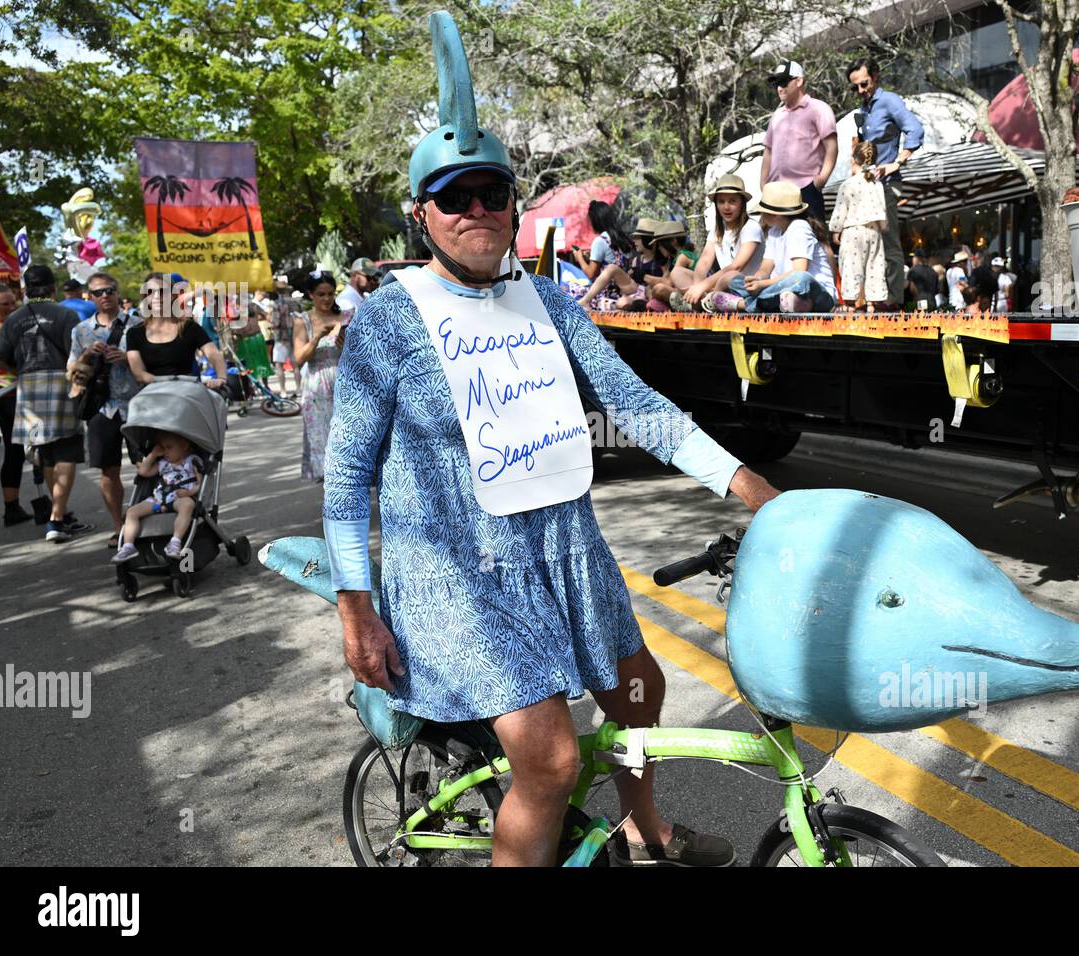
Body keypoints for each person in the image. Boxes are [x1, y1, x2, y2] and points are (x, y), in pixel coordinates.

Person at [325, 11, 781, 869]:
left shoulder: (551, 301)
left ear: (511, 202)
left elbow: (637, 406)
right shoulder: (387, 321)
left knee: (643, 693)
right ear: (423, 215)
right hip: (456, 571)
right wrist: (357, 608)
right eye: (453, 197)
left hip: (566, 548)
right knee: (553, 760)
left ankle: (645, 827)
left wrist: (747, 484)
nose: (476, 211)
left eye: (491, 191)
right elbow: (348, 479)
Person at [0, 264, 92, 542]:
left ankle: (61, 513)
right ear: (53, 287)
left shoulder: (13, 319)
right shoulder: (65, 314)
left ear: (25, 289)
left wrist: (20, 370)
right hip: (62, 382)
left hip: (29, 386)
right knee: (66, 451)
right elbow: (79, 353)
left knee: (46, 453)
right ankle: (56, 519)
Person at [68, 272, 144, 547]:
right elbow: (72, 372)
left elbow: (153, 362)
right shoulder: (82, 330)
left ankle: (147, 523)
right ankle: (120, 528)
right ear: (89, 296)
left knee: (147, 465)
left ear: (117, 290)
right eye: (98, 292)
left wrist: (127, 358)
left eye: (109, 290)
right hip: (102, 408)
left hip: (138, 404)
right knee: (108, 471)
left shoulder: (138, 324)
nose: (105, 296)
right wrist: (88, 355)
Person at [847, 58, 924, 307]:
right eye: (855, 87)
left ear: (876, 77)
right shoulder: (864, 110)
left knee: (888, 243)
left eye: (864, 84)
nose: (860, 90)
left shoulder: (889, 100)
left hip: (887, 185)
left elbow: (915, 130)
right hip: (867, 187)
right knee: (867, 242)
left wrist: (897, 163)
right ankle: (872, 299)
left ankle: (892, 302)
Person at [705, 181, 838, 314]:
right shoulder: (774, 231)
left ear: (774, 214)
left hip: (813, 292)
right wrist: (757, 279)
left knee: (800, 280)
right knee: (734, 279)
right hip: (780, 289)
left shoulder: (799, 227)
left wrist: (763, 285)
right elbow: (766, 267)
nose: (761, 216)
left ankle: (744, 304)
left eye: (763, 212)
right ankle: (775, 303)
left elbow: (799, 272)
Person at [670, 175, 765, 311]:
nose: (726, 207)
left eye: (732, 201)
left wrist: (703, 286)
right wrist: (697, 286)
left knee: (730, 276)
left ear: (742, 203)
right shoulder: (716, 230)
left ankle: (704, 302)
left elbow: (737, 267)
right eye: (721, 201)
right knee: (677, 272)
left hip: (745, 285)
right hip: (721, 285)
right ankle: (703, 301)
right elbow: (704, 261)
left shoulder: (751, 227)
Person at [761, 60, 837, 224]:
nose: (779, 88)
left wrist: (820, 180)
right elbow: (768, 151)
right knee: (776, 243)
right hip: (776, 191)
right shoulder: (777, 115)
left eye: (783, 82)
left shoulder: (819, 108)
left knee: (813, 242)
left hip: (805, 189)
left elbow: (831, 146)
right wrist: (763, 184)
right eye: (775, 84)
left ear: (799, 80)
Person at [125, 273, 230, 389]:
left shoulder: (190, 327)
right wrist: (170, 381)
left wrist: (221, 378)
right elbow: (139, 374)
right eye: (150, 291)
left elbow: (214, 354)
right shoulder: (134, 333)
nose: (156, 296)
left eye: (162, 291)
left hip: (188, 394)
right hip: (153, 398)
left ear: (173, 295)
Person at [111, 430, 202, 563]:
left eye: (169, 448)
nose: (164, 452)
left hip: (180, 498)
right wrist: (153, 455)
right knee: (131, 512)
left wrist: (190, 493)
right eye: (162, 448)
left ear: (184, 445)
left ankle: (175, 542)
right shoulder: (162, 463)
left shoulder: (192, 461)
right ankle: (128, 546)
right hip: (158, 500)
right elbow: (143, 472)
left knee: (188, 505)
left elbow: (202, 483)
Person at [292, 270, 346, 481]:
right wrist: (316, 338)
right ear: (311, 295)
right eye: (321, 294)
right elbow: (299, 358)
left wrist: (347, 342)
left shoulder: (344, 316)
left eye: (330, 294)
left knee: (346, 439)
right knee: (322, 441)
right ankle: (332, 498)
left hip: (344, 382)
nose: (326, 299)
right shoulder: (302, 320)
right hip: (317, 386)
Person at [828, 140, 889, 310]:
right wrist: (883, 227)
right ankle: (872, 303)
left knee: (851, 266)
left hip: (853, 230)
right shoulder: (877, 185)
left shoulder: (848, 184)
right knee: (875, 265)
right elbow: (882, 209)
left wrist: (835, 230)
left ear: (853, 159)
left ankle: (850, 303)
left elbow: (840, 210)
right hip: (874, 230)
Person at [0, 282, 29, 525]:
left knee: (18, 451)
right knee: (19, 449)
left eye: (13, 302)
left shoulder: (8, 324)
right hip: (5, 395)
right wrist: (20, 370)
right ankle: (11, 507)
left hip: (14, 394)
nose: (11, 307)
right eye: (5, 305)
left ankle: (13, 507)